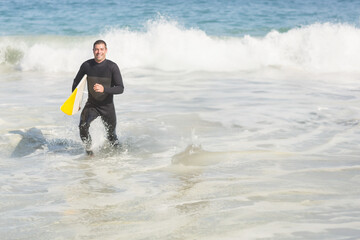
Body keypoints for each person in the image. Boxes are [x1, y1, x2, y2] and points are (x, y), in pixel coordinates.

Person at [72, 40, 124, 155]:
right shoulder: (87, 65)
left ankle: (118, 156)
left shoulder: (112, 67)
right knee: (83, 126)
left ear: (106, 50)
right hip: (92, 105)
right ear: (93, 51)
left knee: (111, 136)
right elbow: (76, 82)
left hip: (107, 107)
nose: (98, 52)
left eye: (101, 49)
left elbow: (120, 88)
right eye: (96, 49)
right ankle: (89, 152)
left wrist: (104, 89)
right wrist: (76, 101)